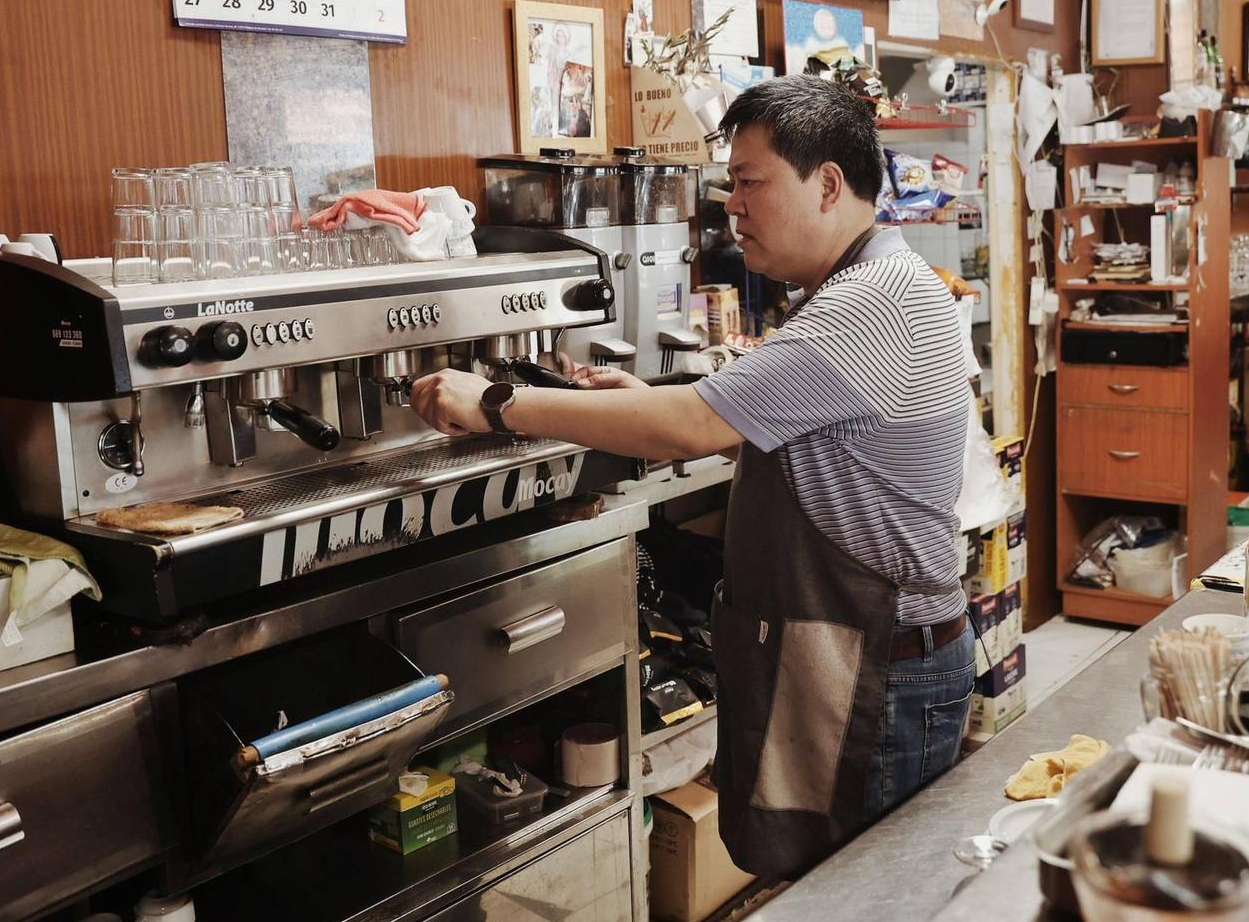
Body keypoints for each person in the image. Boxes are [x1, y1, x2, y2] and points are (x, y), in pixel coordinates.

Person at [410, 75, 974, 879]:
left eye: (749, 184)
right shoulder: (852, 287)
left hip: (878, 670)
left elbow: (699, 425)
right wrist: (660, 397)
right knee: (844, 914)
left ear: (827, 184)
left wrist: (498, 401)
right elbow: (768, 421)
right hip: (858, 652)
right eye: (727, 185)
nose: (730, 208)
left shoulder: (872, 299)